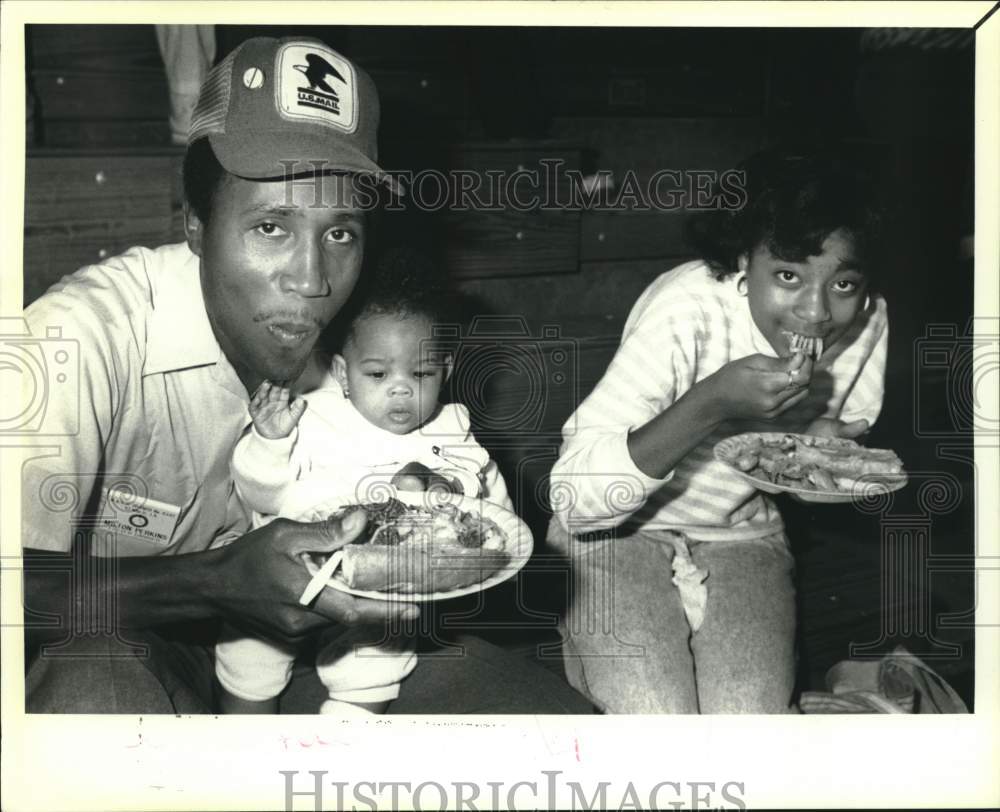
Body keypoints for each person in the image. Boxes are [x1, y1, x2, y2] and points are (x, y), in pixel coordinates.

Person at [21, 35, 591, 715]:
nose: (312, 279)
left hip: (335, 648)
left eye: (340, 233)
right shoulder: (80, 337)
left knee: (550, 728)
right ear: (195, 225)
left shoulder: (369, 344)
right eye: (271, 228)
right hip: (129, 641)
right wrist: (208, 584)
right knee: (94, 695)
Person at [547, 150, 889, 714]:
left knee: (746, 729)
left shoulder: (869, 320)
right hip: (614, 532)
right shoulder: (686, 307)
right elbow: (576, 501)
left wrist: (817, 452)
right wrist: (710, 404)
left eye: (844, 284)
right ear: (741, 260)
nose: (816, 312)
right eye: (787, 275)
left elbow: (802, 473)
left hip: (743, 533)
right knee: (656, 714)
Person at [215, 247, 514, 716]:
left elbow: (497, 519)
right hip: (291, 571)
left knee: (376, 663)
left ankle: (336, 753)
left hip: (382, 590)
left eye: (421, 373)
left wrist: (449, 492)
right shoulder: (311, 414)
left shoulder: (452, 431)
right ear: (343, 373)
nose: (401, 388)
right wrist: (271, 443)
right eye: (377, 374)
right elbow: (259, 494)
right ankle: (240, 743)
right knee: (246, 649)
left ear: (447, 372)